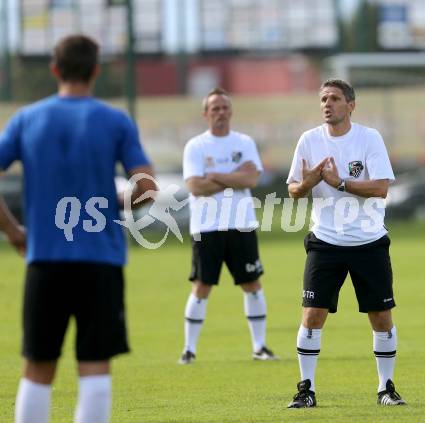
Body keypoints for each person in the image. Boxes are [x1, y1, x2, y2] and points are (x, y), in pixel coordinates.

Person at [0, 34, 156, 423]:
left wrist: (14, 231)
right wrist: (113, 202)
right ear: (95, 71)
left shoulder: (27, 119)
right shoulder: (115, 120)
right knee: (94, 368)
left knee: (38, 368)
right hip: (99, 261)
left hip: (45, 260)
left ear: (54, 69)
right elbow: (147, 188)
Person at [286, 79, 406, 408]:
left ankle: (386, 388)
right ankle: (306, 389)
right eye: (323, 98)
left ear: (351, 105)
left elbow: (381, 188)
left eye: (335, 98)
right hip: (325, 242)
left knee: (381, 316)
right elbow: (294, 190)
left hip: (369, 241)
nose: (327, 104)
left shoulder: (369, 138)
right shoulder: (309, 141)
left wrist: (339, 182)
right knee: (312, 315)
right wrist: (310, 181)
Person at [179, 87, 277, 364]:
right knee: (202, 285)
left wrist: (217, 175)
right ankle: (189, 349)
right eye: (215, 108)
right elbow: (196, 186)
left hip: (241, 224)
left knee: (252, 284)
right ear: (205, 113)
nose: (220, 113)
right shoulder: (196, 146)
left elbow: (251, 180)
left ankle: (259, 346)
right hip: (207, 226)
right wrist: (235, 175)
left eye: (224, 108)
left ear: (230, 111)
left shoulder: (244, 142)